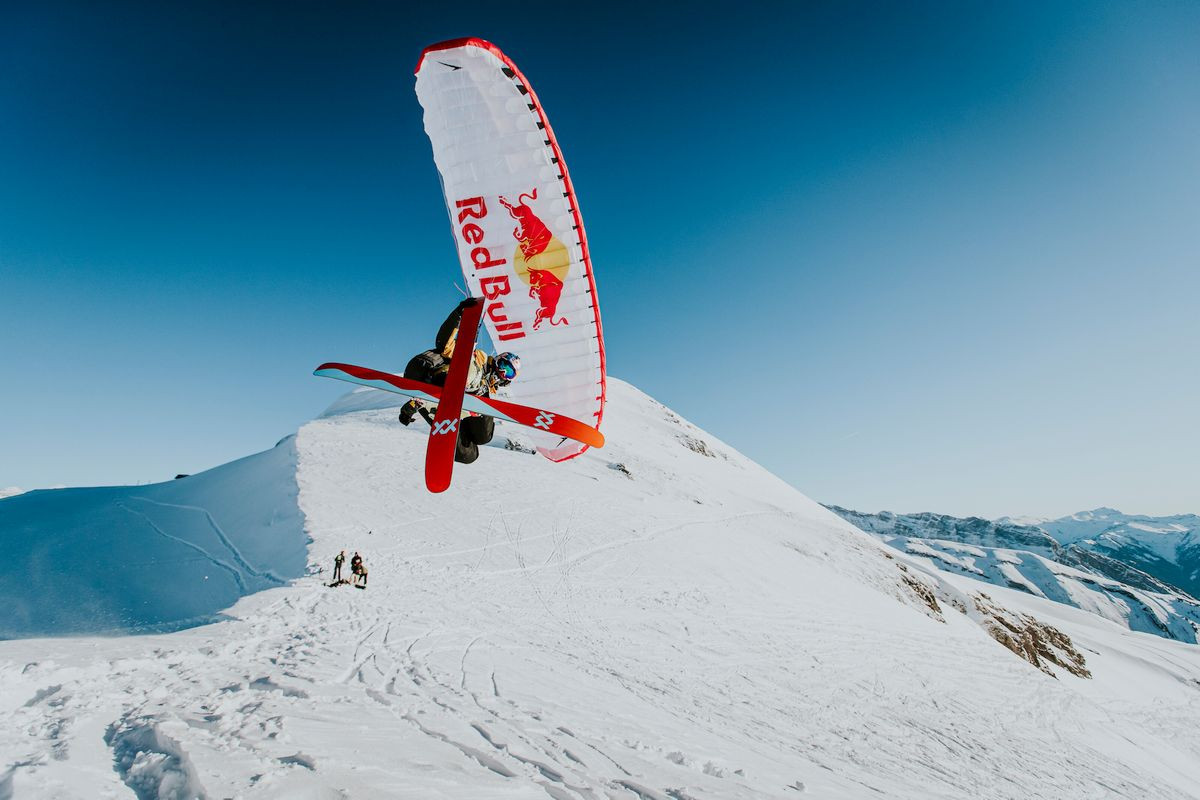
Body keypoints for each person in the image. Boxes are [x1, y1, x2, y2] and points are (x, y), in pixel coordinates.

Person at [398, 298, 521, 465]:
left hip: (458, 406)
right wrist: (458, 315)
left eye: (508, 373)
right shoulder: (480, 359)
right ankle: (438, 393)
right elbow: (444, 344)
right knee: (473, 375)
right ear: (497, 360)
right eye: (504, 366)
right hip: (439, 378)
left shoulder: (490, 388)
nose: (502, 372)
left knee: (470, 452)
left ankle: (431, 402)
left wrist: (410, 409)